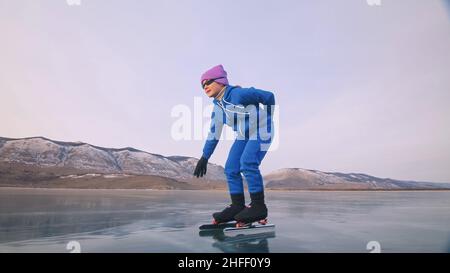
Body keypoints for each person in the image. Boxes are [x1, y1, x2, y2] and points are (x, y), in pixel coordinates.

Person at [193, 64, 275, 225]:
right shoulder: (217, 109)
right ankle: (237, 206)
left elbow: (269, 96)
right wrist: (204, 157)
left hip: (261, 130)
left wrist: (267, 117)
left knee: (247, 162)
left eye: (208, 82)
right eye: (202, 85)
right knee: (231, 167)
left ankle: (259, 207)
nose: (205, 87)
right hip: (244, 135)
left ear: (221, 81)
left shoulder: (238, 94)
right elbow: (213, 134)